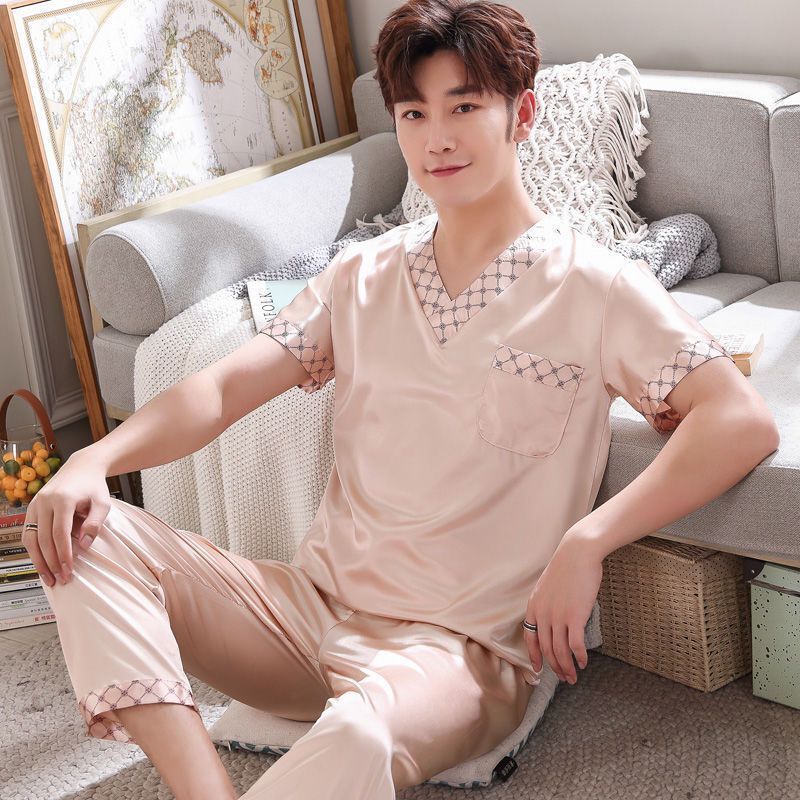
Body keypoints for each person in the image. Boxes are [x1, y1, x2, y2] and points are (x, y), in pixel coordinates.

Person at [22, 1, 779, 798]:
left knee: (359, 734)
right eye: (414, 114)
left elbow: (739, 420)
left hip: (457, 656)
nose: (437, 138)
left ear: (523, 114)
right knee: (86, 532)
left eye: (464, 107)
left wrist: (587, 540)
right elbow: (220, 388)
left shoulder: (597, 286)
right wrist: (92, 459)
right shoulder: (363, 273)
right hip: (307, 614)